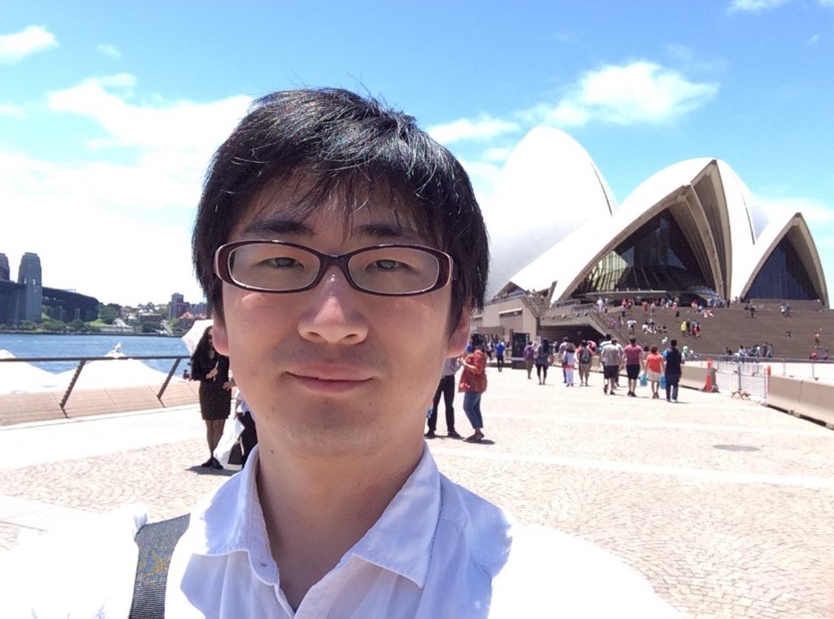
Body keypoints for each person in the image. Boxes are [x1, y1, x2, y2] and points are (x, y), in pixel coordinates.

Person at [6, 88, 676, 617]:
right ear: (219, 320)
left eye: (388, 265)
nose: (333, 321)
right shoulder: (90, 586)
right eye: (278, 260)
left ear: (458, 325)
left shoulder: (578, 601)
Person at [189, 324, 232, 469]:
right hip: (207, 390)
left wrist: (232, 382)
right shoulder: (200, 354)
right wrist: (207, 375)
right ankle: (212, 455)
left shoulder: (225, 354)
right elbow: (194, 374)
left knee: (219, 425)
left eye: (213, 337)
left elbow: (239, 368)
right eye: (208, 337)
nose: (210, 340)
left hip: (221, 390)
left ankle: (217, 457)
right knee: (210, 426)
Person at [459, 334, 488, 442]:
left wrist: (464, 364)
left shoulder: (477, 353)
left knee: (468, 407)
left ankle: (478, 431)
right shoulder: (480, 352)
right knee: (475, 408)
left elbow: (477, 369)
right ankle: (478, 431)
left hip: (473, 384)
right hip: (478, 384)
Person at [425, 356, 462, 439]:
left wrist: (454, 368)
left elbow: (457, 363)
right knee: (433, 405)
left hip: (449, 378)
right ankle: (431, 428)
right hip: (437, 378)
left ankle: (451, 429)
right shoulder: (437, 349)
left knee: (449, 405)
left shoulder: (452, 351)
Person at [664, 338, 684, 403]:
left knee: (668, 384)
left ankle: (668, 397)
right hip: (676, 370)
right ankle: (674, 397)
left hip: (669, 370)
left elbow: (666, 360)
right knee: (675, 385)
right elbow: (680, 362)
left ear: (670, 344)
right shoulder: (679, 353)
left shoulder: (668, 352)